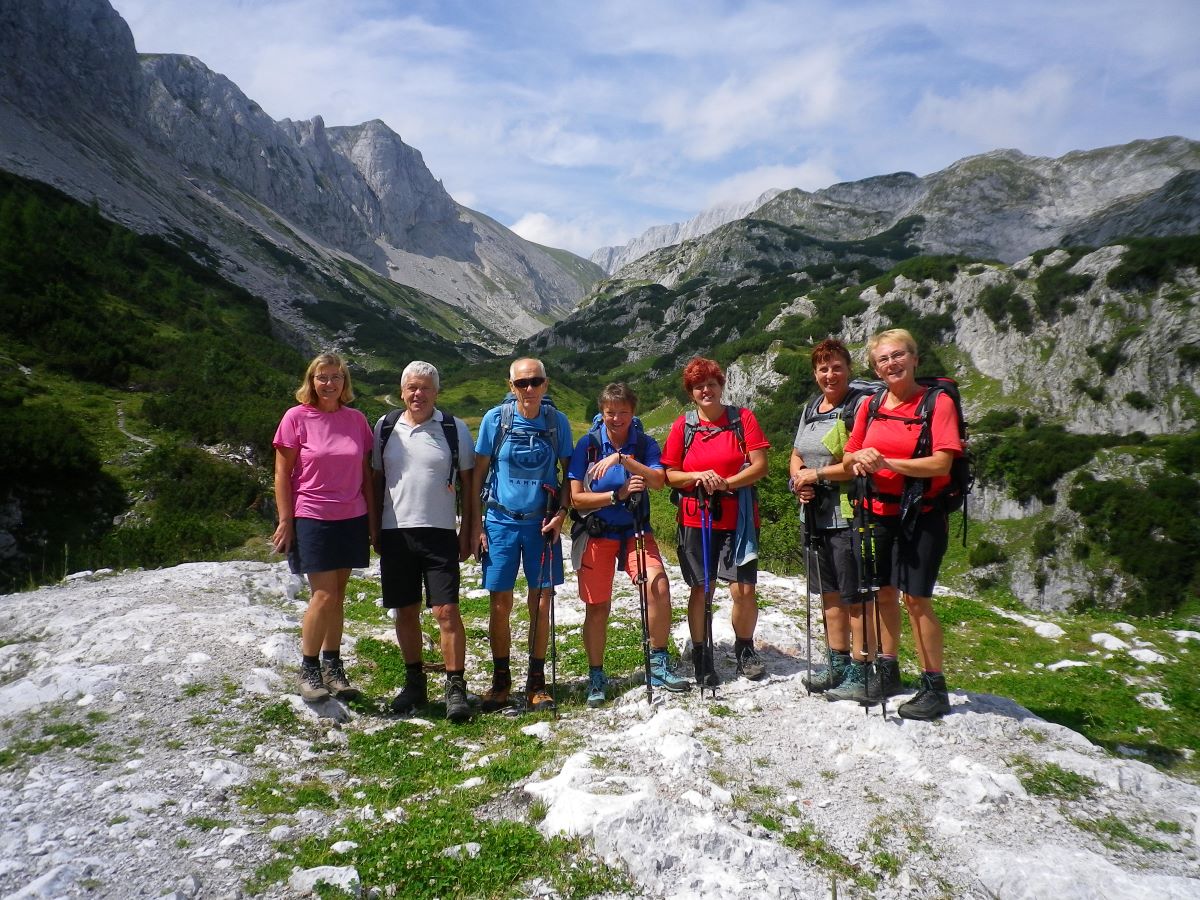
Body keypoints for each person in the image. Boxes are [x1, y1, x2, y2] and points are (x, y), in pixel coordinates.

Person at [841, 328, 962, 720]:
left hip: (922, 514)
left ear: (914, 359)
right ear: (875, 368)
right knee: (883, 592)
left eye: (898, 356)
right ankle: (887, 669)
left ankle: (934, 685)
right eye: (883, 359)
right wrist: (858, 461)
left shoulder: (936, 403)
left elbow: (942, 462)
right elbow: (847, 457)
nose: (891, 364)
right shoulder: (870, 405)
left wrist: (887, 463)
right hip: (877, 511)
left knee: (917, 598)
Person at [567, 383, 692, 707]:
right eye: (610, 412)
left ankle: (658, 661)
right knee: (598, 607)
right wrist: (616, 494)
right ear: (602, 412)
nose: (616, 418)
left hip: (636, 530)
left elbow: (658, 480)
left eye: (623, 412)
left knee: (658, 586)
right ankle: (597, 675)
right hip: (599, 531)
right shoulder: (588, 445)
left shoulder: (644, 443)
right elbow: (577, 499)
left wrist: (623, 459)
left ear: (632, 413)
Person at [372, 361, 476, 724]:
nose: (418, 394)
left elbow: (469, 484)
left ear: (436, 392)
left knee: (446, 611)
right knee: (406, 610)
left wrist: (468, 528)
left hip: (440, 532)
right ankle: (415, 681)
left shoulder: (454, 429)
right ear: (402, 391)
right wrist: (374, 528)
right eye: (412, 387)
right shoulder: (384, 428)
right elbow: (375, 482)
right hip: (395, 531)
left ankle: (455, 686)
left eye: (425, 388)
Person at [272, 352, 377, 702]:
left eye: (336, 377)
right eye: (322, 377)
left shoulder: (356, 420)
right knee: (324, 594)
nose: (329, 383)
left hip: (351, 516)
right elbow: (282, 474)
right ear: (311, 381)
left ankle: (333, 667)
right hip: (312, 515)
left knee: (338, 595)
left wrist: (372, 521)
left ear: (345, 382)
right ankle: (309, 669)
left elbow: (365, 473)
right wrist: (286, 520)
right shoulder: (295, 418)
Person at [661, 357, 770, 685]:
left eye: (711, 384)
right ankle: (701, 653)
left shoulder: (743, 419)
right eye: (698, 386)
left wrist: (725, 483)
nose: (705, 390)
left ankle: (745, 649)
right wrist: (697, 476)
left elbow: (760, 465)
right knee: (701, 589)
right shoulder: (685, 426)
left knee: (745, 590)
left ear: (721, 386)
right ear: (691, 393)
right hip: (696, 518)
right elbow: (670, 474)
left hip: (738, 520)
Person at [473, 358, 573, 711]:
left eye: (536, 381)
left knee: (541, 601)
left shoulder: (556, 422)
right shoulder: (494, 420)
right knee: (500, 603)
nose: (529, 389)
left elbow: (569, 476)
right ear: (511, 386)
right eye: (522, 383)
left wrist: (562, 514)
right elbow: (477, 474)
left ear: (546, 384)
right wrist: (474, 525)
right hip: (499, 522)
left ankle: (536, 681)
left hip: (541, 524)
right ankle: (501, 680)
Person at [788, 338, 875, 697]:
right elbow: (795, 454)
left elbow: (860, 462)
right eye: (823, 368)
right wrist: (799, 480)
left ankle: (862, 666)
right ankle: (836, 662)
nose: (830, 374)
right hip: (814, 516)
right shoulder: (811, 408)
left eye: (837, 366)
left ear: (848, 369)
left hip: (849, 514)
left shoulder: (860, 407)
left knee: (855, 595)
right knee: (829, 594)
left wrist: (818, 476)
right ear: (815, 373)